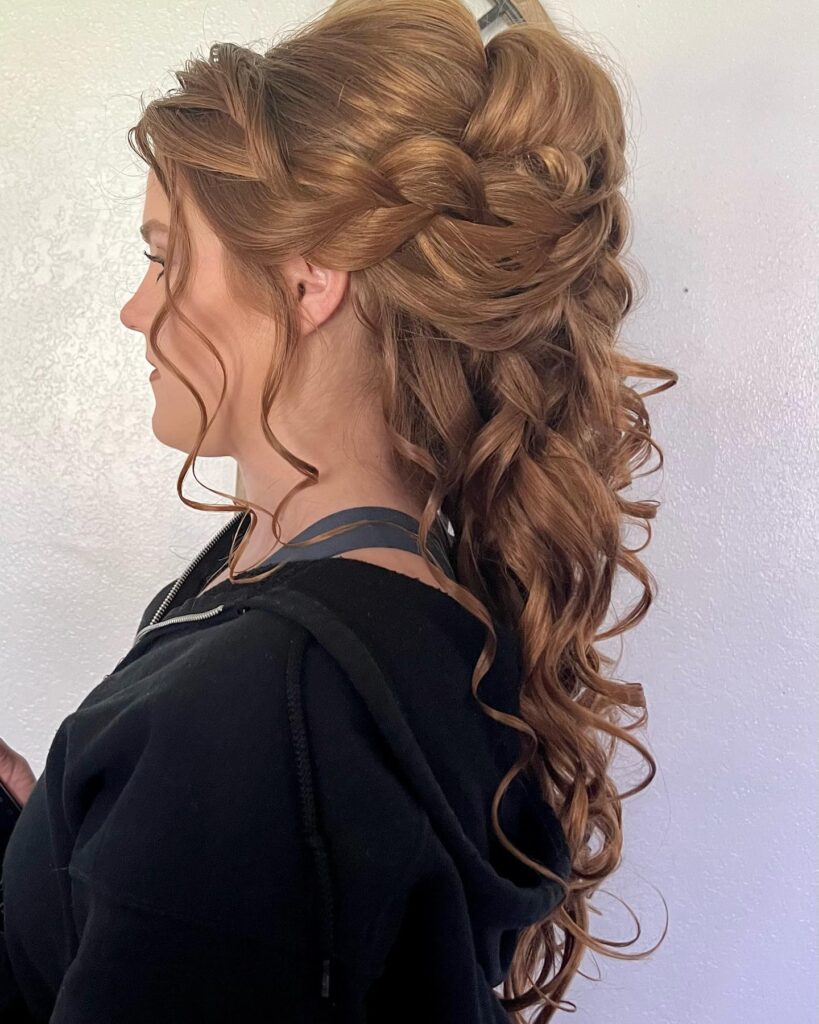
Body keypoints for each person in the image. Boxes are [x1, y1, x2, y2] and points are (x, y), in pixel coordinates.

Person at [0, 0, 677, 1020]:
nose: (138, 308)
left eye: (161, 254)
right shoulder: (290, 567)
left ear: (309, 278)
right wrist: (56, 830)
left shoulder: (261, 721)